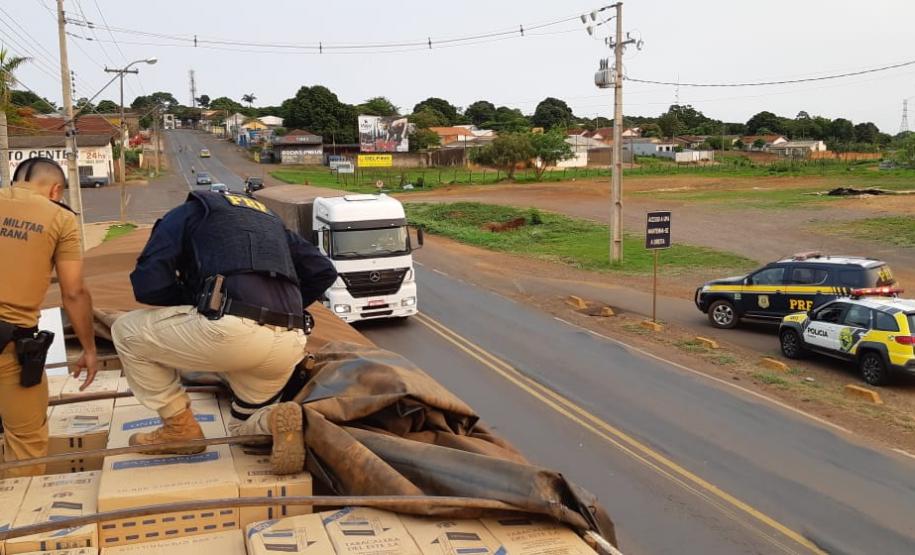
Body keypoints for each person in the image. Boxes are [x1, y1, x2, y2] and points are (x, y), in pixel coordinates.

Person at [111, 190, 336, 474]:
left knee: (124, 332)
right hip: (290, 340)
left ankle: (178, 426)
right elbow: (323, 270)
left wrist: (198, 301)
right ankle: (272, 420)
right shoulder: (271, 221)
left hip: (229, 335)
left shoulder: (188, 213)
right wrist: (284, 310)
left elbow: (148, 284)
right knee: (243, 424)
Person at [0, 157, 97, 477]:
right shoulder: (59, 219)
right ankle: (18, 520)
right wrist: (89, 349)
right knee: (25, 442)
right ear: (56, 190)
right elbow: (73, 292)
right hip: (9, 345)